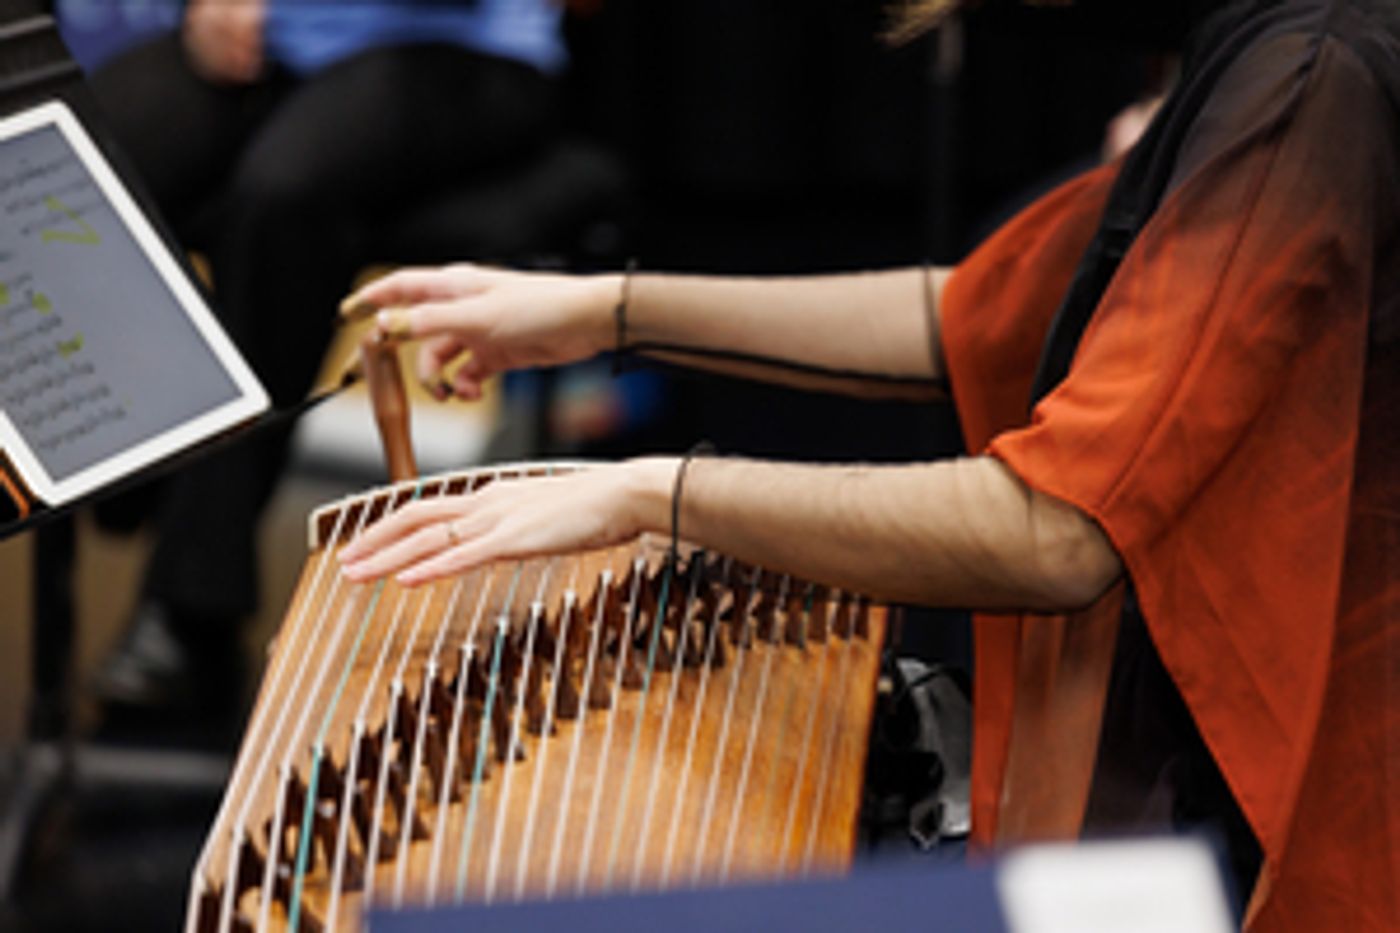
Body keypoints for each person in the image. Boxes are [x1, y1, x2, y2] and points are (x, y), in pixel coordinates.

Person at [334, 0, 1397, 929]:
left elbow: (1059, 530)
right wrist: (602, 311)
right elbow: (974, 313)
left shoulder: (1312, 75)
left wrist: (645, 491)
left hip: (1306, 806)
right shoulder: (1263, 44)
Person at [87, 0, 566, 721]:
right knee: (85, 157)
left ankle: (193, 609)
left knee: (282, 196)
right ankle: (145, 461)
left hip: (460, 52)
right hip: (280, 41)